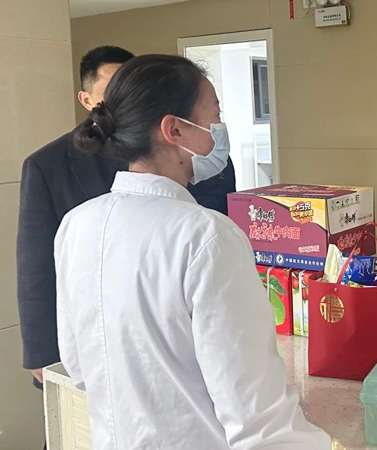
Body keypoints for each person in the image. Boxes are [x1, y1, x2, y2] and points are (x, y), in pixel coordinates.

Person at [56, 54, 331, 449]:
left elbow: (79, 366)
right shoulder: (206, 236)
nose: (219, 130)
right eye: (214, 116)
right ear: (175, 130)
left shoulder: (77, 223)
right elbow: (258, 418)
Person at [16, 46, 236, 392]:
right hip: (99, 334)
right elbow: (35, 265)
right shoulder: (50, 166)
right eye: (113, 90)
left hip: (180, 326)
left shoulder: (195, 156)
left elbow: (217, 219)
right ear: (87, 100)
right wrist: (41, 352)